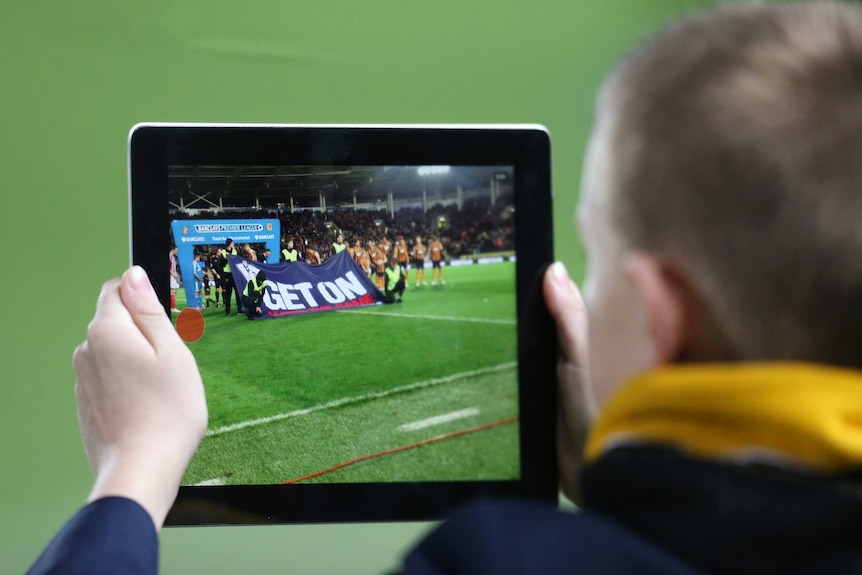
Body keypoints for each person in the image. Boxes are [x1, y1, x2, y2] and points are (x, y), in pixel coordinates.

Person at [27, 3, 862, 573]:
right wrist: (622, 475)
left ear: (655, 318)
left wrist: (131, 474)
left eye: (594, 258)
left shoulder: (497, 558)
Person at [218, 238, 239, 316]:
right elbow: (221, 264)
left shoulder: (235, 251)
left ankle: (239, 309)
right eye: (232, 243)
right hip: (227, 274)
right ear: (229, 243)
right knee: (228, 294)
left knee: (237, 292)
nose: (233, 244)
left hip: (234, 274)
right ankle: (227, 310)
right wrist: (226, 259)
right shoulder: (223, 252)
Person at [168, 246, 181, 313]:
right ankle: (172, 308)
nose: (177, 252)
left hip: (174, 275)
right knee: (173, 291)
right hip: (171, 275)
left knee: (175, 291)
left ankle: (173, 307)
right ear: (173, 249)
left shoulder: (173, 257)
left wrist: (177, 275)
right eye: (176, 250)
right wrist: (173, 274)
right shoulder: (169, 256)